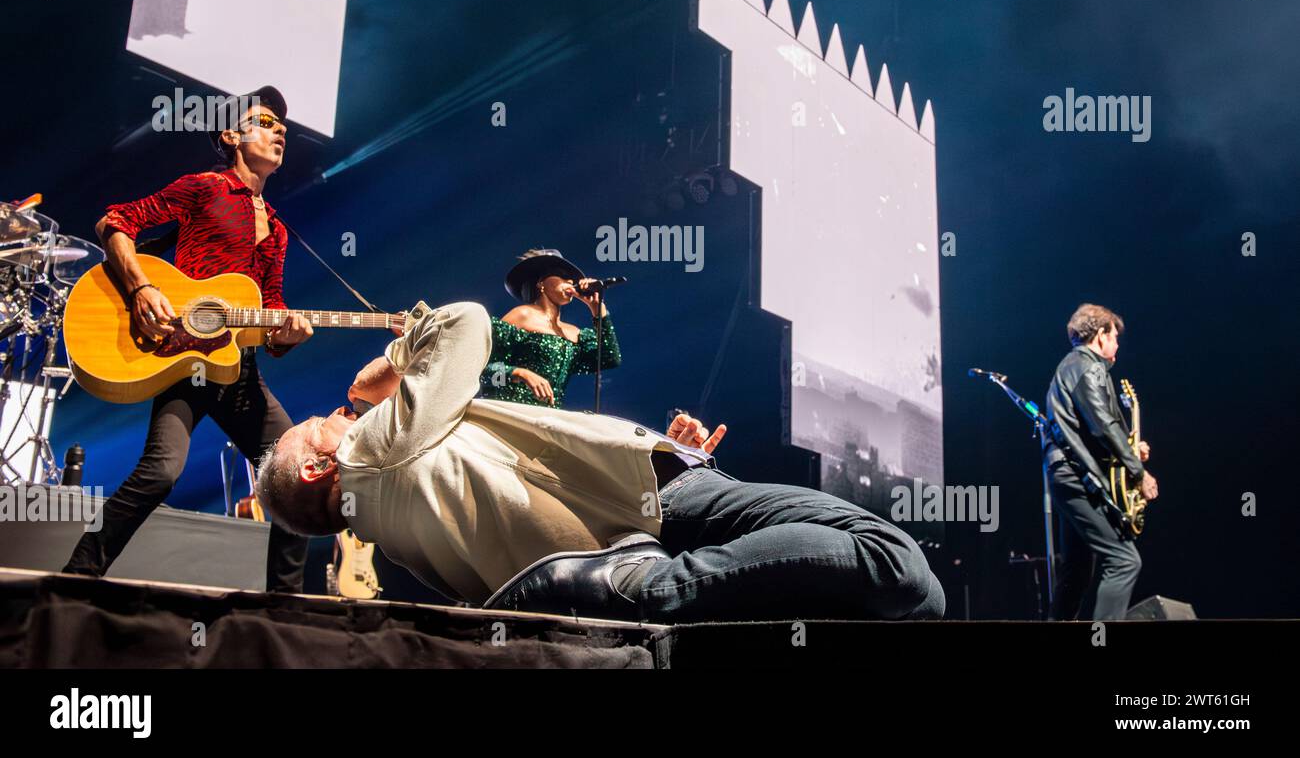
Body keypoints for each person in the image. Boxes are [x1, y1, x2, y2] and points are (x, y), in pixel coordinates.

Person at [254, 300, 945, 623]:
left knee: (901, 597)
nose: (339, 413)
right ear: (320, 466)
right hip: (652, 509)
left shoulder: (393, 525)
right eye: (323, 423)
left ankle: (647, 588)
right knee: (897, 566)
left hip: (645, 501)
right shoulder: (371, 453)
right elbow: (466, 320)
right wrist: (406, 344)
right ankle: (655, 590)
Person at [63, 87, 313, 593]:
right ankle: (75, 579)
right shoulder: (205, 187)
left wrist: (288, 334)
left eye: (281, 126)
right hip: (183, 356)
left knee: (297, 476)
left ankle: (284, 610)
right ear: (230, 136)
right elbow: (115, 222)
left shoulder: (280, 232)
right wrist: (142, 287)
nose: (279, 130)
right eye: (264, 121)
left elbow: (270, 311)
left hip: (238, 370)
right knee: (161, 472)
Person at [1044, 303, 1158, 621]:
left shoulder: (1072, 367)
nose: (1117, 344)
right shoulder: (1087, 365)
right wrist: (1138, 472)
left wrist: (1131, 451)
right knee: (1124, 561)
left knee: (1077, 570)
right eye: (1115, 336)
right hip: (1075, 476)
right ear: (1100, 334)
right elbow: (1103, 425)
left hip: (1064, 474)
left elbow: (1092, 428)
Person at [479, 248, 620, 407]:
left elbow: (609, 359)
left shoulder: (574, 333)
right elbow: (482, 370)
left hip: (548, 420)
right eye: (562, 276)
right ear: (540, 283)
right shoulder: (521, 316)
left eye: (571, 279)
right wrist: (519, 373)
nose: (569, 282)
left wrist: (598, 310)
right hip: (512, 415)